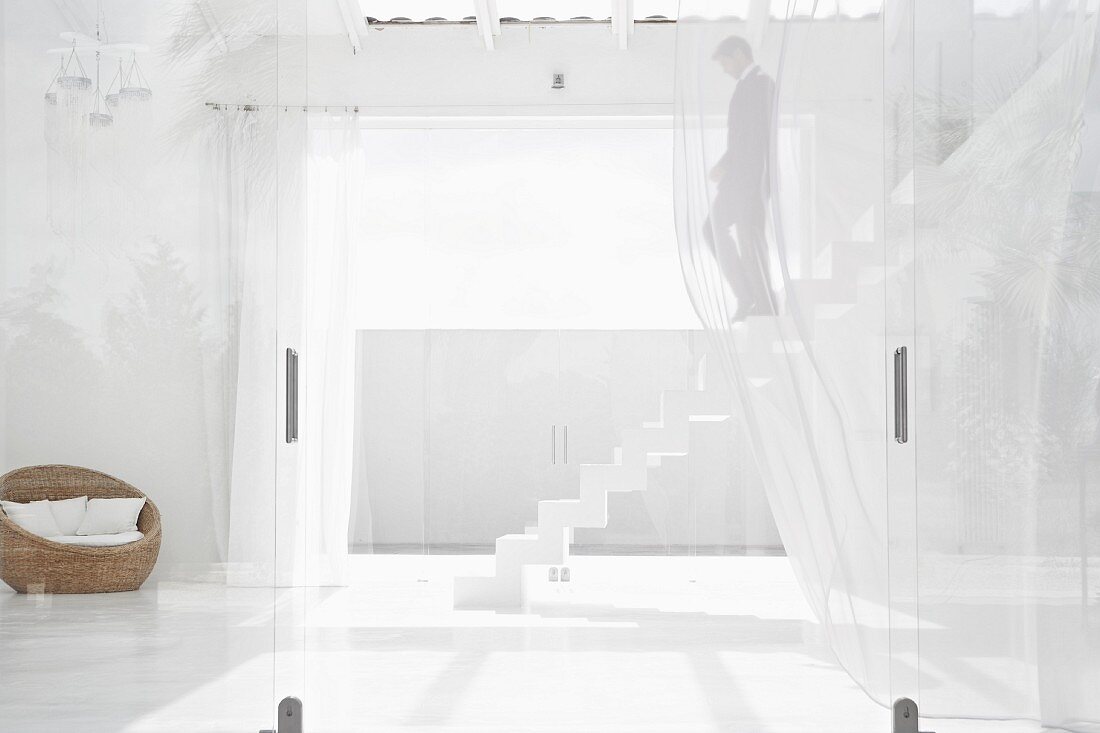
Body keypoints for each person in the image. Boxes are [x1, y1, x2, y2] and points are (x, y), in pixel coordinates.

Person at [704, 36, 776, 322]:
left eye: (725, 62)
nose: (724, 70)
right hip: (739, 179)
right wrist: (725, 165)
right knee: (716, 230)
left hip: (749, 180)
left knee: (749, 240)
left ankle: (760, 302)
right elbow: (743, 137)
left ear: (738, 54)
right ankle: (750, 297)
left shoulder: (761, 84)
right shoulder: (749, 85)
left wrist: (727, 165)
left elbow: (754, 137)